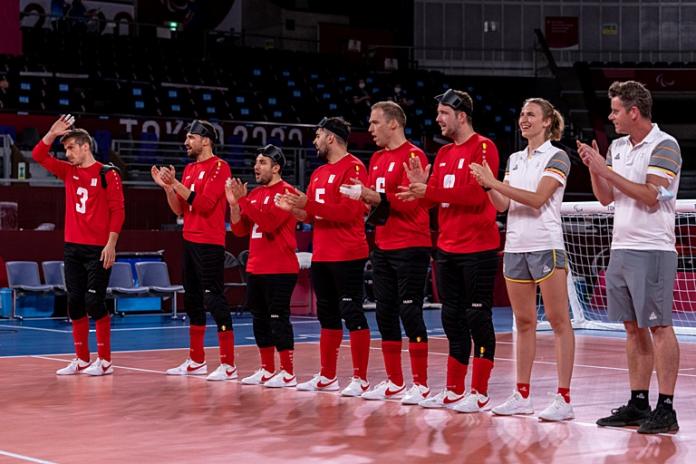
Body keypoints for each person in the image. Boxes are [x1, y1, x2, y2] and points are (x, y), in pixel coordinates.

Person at [577, 80, 681, 434]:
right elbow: (607, 198)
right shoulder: (618, 147)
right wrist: (595, 168)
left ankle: (666, 408)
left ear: (634, 112)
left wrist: (606, 169)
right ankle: (639, 402)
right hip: (621, 248)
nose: (612, 116)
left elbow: (651, 195)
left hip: (653, 248)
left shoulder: (666, 146)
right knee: (632, 328)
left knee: (659, 326)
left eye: (616, 110)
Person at [470, 98, 575, 421]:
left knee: (559, 322)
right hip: (515, 247)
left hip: (546, 246)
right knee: (525, 323)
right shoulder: (515, 159)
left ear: (547, 122)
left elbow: (537, 199)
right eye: (521, 114)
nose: (523, 119)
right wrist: (487, 186)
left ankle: (563, 398)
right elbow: (502, 205)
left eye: (531, 114)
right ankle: (522, 394)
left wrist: (495, 183)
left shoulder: (558, 156)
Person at [397, 89, 499, 412]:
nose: (438, 119)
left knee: (477, 317)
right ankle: (455, 388)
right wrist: (420, 192)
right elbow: (435, 200)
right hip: (447, 248)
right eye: (438, 113)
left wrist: (432, 191)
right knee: (451, 316)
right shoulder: (442, 155)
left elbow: (475, 196)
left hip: (479, 247)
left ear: (461, 116)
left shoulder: (484, 147)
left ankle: (479, 391)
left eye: (443, 114)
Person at [339, 101, 431, 404]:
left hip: (411, 245)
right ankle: (395, 381)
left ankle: (421, 383)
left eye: (374, 122)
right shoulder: (376, 158)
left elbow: (411, 201)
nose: (369, 129)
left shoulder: (413, 156)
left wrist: (375, 197)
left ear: (393, 124)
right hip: (383, 244)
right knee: (384, 312)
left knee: (409, 310)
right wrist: (363, 199)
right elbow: (376, 201)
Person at [275, 117, 372, 397]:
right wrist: (293, 209)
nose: (315, 141)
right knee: (327, 316)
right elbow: (312, 214)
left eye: (318, 135)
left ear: (331, 137)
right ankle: (328, 376)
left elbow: (350, 212)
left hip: (348, 253)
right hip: (323, 254)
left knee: (351, 312)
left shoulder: (353, 167)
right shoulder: (318, 173)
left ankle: (361, 379)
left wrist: (310, 204)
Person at [32, 114, 124, 376]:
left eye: (71, 147)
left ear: (86, 146)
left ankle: (104, 361)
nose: (67, 153)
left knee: (94, 302)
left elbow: (118, 211)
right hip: (72, 246)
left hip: (98, 248)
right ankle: (82, 359)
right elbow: (39, 155)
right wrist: (51, 133)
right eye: (65, 148)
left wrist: (111, 244)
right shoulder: (67, 171)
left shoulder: (108, 173)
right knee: (74, 303)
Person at [151, 119, 237, 381]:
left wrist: (175, 184)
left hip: (209, 242)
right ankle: (197, 359)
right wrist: (168, 187)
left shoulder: (220, 167)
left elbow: (206, 204)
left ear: (206, 140)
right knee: (192, 300)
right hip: (189, 239)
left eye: (191, 137)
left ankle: (228, 364)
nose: (186, 142)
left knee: (214, 299)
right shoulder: (188, 169)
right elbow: (180, 210)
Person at [227, 145, 299, 388]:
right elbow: (239, 231)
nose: (256, 167)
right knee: (259, 319)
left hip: (280, 267)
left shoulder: (287, 192)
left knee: (278, 318)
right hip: (256, 267)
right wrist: (235, 205)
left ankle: (288, 373)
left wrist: (244, 201)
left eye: (262, 163)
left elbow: (268, 225)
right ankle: (267, 369)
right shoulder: (255, 194)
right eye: (256, 162)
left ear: (276, 167)